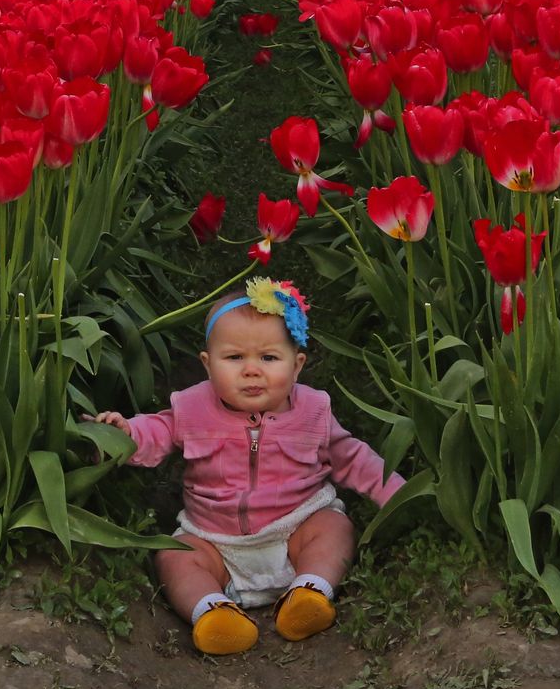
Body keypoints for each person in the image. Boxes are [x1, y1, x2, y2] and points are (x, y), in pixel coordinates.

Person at [90, 278, 405, 656]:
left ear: (297, 365)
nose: (251, 371)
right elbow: (157, 430)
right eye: (235, 358)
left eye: (269, 358)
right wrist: (123, 435)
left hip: (296, 527)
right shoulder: (192, 409)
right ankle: (213, 612)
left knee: (335, 527)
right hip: (214, 539)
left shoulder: (313, 412)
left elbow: (353, 458)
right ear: (208, 365)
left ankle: (309, 591)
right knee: (173, 554)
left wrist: (400, 498)